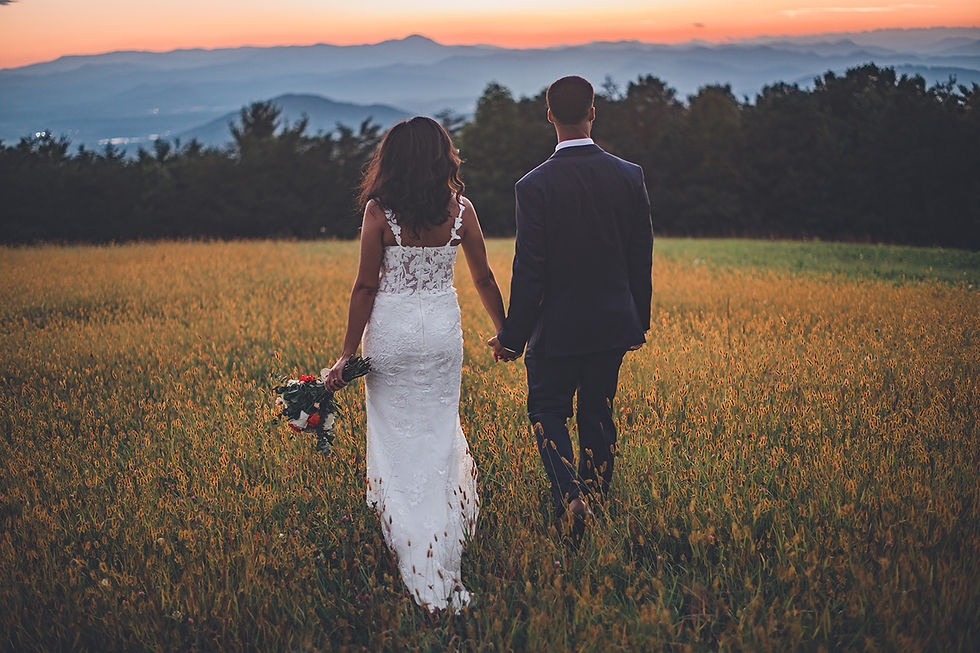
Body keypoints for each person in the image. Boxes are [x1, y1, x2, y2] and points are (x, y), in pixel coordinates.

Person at [322, 116, 506, 613]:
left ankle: (409, 534)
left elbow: (365, 286)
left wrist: (346, 354)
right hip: (443, 335)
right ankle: (443, 530)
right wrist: (506, 330)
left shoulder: (379, 213)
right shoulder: (462, 211)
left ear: (393, 161)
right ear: (442, 158)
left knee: (395, 433)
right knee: (437, 429)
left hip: (395, 333)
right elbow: (484, 277)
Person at [489, 75, 653, 541]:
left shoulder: (533, 186)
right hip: (612, 323)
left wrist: (511, 338)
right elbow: (640, 257)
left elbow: (530, 271)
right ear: (593, 113)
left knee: (547, 408)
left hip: (555, 328)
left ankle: (570, 496)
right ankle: (597, 501)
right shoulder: (629, 175)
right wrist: (636, 322)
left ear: (549, 116)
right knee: (598, 411)